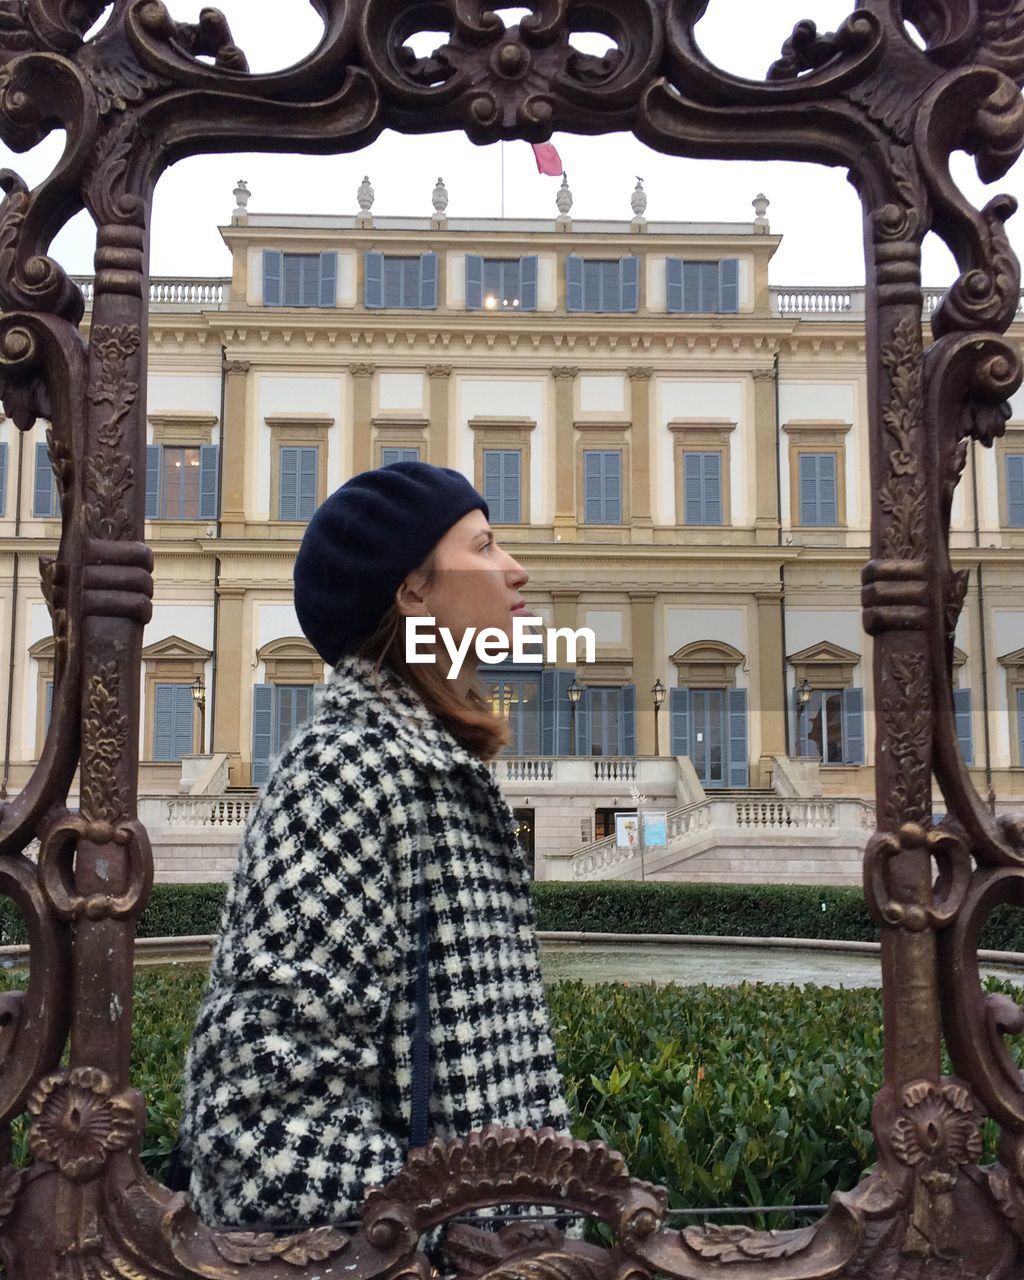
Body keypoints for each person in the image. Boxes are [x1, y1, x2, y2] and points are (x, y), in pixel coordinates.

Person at [177, 461, 571, 1235]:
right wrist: (464, 1228)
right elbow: (254, 1135)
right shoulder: (348, 772)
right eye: (484, 547)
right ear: (412, 591)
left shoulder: (426, 766)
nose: (516, 568)